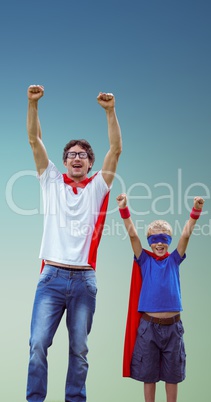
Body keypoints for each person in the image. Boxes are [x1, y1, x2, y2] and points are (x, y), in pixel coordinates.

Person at [26, 84, 122, 402]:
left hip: (84, 279)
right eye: (71, 155)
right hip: (51, 278)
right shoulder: (51, 181)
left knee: (79, 350)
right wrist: (32, 104)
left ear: (90, 164)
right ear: (64, 161)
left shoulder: (97, 187)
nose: (76, 158)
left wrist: (110, 112)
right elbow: (34, 140)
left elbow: (116, 150)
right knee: (38, 343)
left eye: (82, 155)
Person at [116, 193, 204, 402]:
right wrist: (124, 209)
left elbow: (185, 236)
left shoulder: (174, 260)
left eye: (164, 238)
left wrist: (195, 212)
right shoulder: (144, 260)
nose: (159, 243)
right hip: (148, 327)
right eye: (154, 239)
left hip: (173, 327)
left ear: (169, 241)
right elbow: (133, 236)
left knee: (172, 374)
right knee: (149, 375)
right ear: (150, 242)